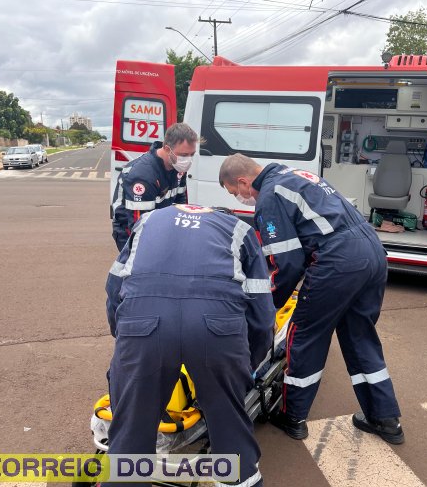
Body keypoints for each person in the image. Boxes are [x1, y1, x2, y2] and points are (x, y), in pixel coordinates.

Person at [219, 153, 404, 445]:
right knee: (360, 336)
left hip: (339, 261)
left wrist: (268, 304)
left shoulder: (269, 196)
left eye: (234, 192)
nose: (240, 198)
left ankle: (293, 417)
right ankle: (385, 419)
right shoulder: (294, 175)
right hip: (371, 252)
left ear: (243, 181)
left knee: (305, 334)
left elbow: (287, 263)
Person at [104, 203, 275, 487]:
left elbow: (114, 288)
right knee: (229, 423)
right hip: (217, 326)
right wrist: (246, 366)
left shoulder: (148, 221)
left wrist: (124, 339)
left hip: (143, 321)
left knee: (131, 427)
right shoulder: (240, 229)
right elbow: (262, 315)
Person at [111, 123, 198, 251]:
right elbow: (139, 226)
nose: (188, 160)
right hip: (130, 231)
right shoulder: (143, 176)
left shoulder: (177, 166)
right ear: (167, 149)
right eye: (184, 155)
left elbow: (181, 202)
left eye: (192, 154)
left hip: (159, 223)